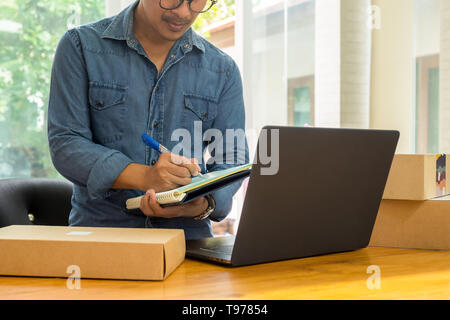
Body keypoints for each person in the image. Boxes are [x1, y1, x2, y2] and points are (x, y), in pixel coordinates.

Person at [48, 0, 249, 240]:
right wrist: (145, 176)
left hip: (188, 242)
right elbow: (66, 143)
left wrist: (201, 204)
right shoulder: (80, 47)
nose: (184, 12)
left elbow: (233, 158)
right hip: (100, 239)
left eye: (197, 0)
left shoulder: (223, 70)